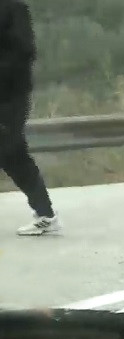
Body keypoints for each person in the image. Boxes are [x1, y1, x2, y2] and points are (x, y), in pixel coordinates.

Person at [0, 0, 58, 236]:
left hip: (9, 95)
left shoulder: (13, 7)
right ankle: (45, 214)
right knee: (13, 155)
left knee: (9, 150)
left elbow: (24, 51)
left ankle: (46, 215)